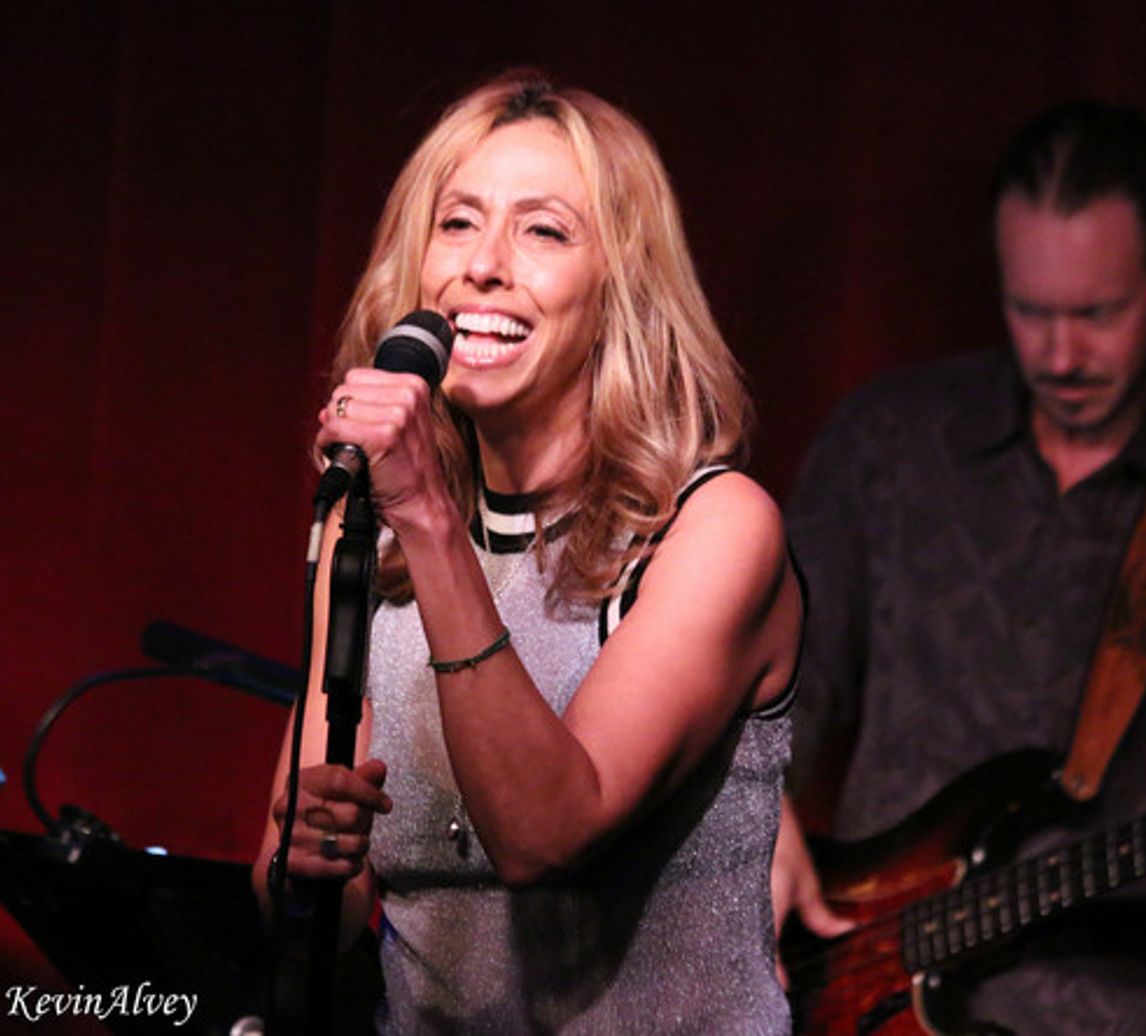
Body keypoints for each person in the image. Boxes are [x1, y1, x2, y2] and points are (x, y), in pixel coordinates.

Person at [251, 72, 803, 1034]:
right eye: (457, 223)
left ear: (622, 285)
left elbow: (546, 833)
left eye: (544, 231)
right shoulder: (366, 531)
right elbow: (305, 907)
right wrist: (302, 868)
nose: (484, 266)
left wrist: (426, 515)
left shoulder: (712, 531)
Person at [780, 100, 1146, 1033]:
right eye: (1030, 311)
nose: (1060, 354)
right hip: (861, 997)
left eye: (1097, 314)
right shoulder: (891, 438)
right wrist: (751, 814)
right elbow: (783, 690)